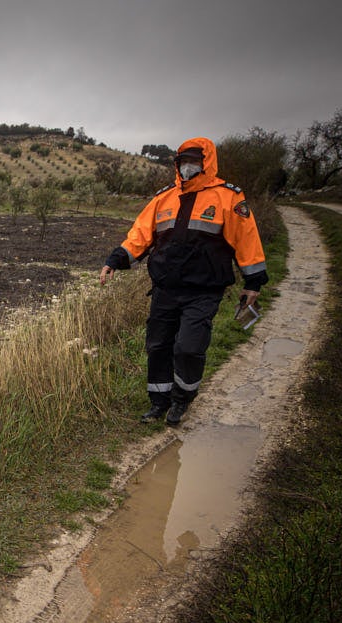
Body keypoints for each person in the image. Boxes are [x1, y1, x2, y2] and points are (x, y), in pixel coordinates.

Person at [99, 136, 268, 426]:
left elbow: (247, 241)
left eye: (194, 161)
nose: (188, 167)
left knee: (188, 347)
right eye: (184, 162)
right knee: (158, 346)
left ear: (207, 163)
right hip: (165, 288)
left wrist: (253, 282)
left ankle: (182, 400)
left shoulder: (228, 197)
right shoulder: (163, 198)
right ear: (177, 165)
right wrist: (115, 260)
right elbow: (140, 235)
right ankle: (158, 402)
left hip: (203, 291)